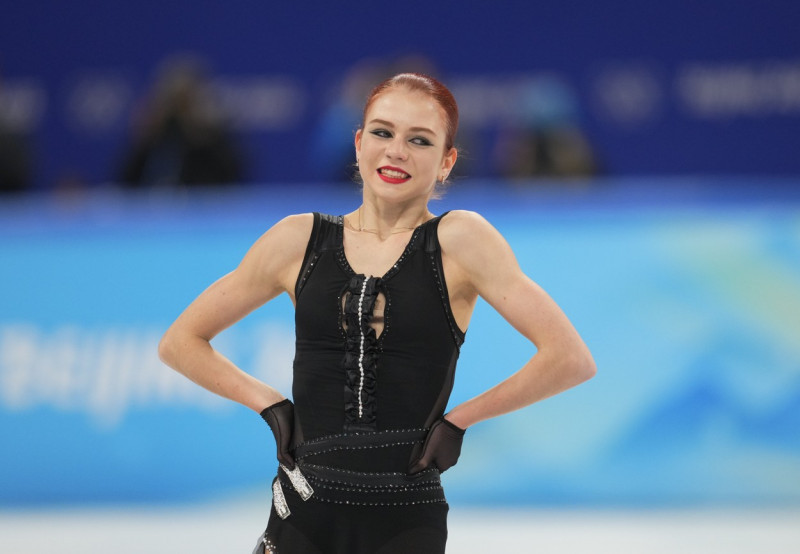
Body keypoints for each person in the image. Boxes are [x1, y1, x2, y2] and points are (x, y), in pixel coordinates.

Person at [158, 73, 596, 554]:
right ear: (359, 141)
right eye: (383, 133)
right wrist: (269, 404)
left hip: (405, 519)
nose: (397, 152)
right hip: (302, 513)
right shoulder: (298, 240)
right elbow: (180, 342)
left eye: (420, 140)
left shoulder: (461, 242)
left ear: (447, 162)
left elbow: (569, 358)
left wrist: (459, 421)